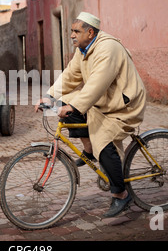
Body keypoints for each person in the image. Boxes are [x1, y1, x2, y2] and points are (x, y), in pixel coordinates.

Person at [35, 12, 146, 218]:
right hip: (105, 102)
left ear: (90, 32)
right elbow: (70, 75)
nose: (72, 35)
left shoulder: (108, 48)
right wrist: (49, 96)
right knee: (69, 109)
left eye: (76, 31)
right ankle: (89, 150)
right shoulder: (83, 49)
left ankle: (121, 195)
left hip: (123, 105)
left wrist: (73, 105)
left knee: (103, 141)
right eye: (71, 31)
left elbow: (97, 85)